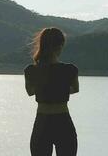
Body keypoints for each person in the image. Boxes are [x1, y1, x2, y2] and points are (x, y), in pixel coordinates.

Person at [24, 27, 79, 156]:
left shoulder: (30, 70)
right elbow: (75, 89)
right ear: (60, 46)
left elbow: (30, 91)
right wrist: (59, 88)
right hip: (63, 122)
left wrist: (45, 88)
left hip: (42, 123)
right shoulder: (70, 70)